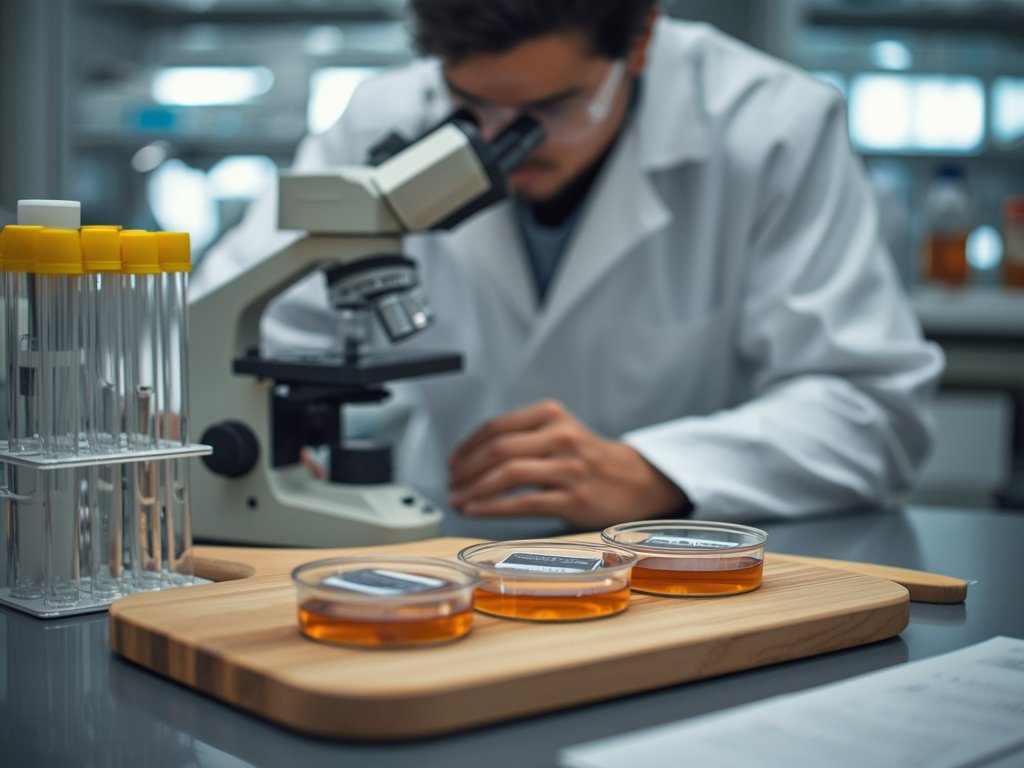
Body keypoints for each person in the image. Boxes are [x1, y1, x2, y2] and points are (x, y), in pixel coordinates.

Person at [192, 1, 944, 528]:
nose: (497, 146)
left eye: (550, 112)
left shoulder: (770, 127)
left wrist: (658, 471)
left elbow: (872, 410)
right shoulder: (385, 118)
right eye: (468, 108)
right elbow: (217, 325)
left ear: (643, 37)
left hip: (677, 568)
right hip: (454, 544)